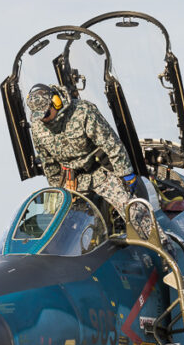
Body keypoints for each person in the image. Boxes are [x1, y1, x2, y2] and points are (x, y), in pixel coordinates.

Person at [25, 83, 154, 238]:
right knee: (62, 227)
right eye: (38, 116)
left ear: (56, 102)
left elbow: (111, 143)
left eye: (45, 114)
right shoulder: (38, 128)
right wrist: (57, 191)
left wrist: (125, 173)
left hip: (100, 173)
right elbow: (49, 163)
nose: (43, 120)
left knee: (134, 212)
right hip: (71, 180)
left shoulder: (83, 112)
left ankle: (163, 250)